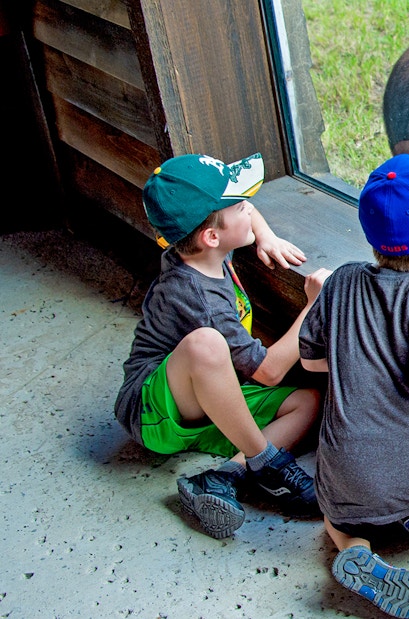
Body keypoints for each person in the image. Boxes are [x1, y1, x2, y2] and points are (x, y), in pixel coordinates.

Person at [114, 151, 331, 539]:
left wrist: (264, 235)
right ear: (212, 236)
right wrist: (314, 307)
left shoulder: (202, 248)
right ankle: (265, 462)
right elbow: (267, 371)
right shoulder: (194, 292)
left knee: (309, 402)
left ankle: (219, 479)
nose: (251, 208)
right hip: (154, 409)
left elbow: (239, 217)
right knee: (206, 344)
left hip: (213, 400)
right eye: (242, 205)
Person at [299, 153, 409, 618]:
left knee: (331, 510)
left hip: (348, 472)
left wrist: (319, 301)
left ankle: (354, 548)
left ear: (369, 236)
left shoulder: (344, 280)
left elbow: (311, 362)